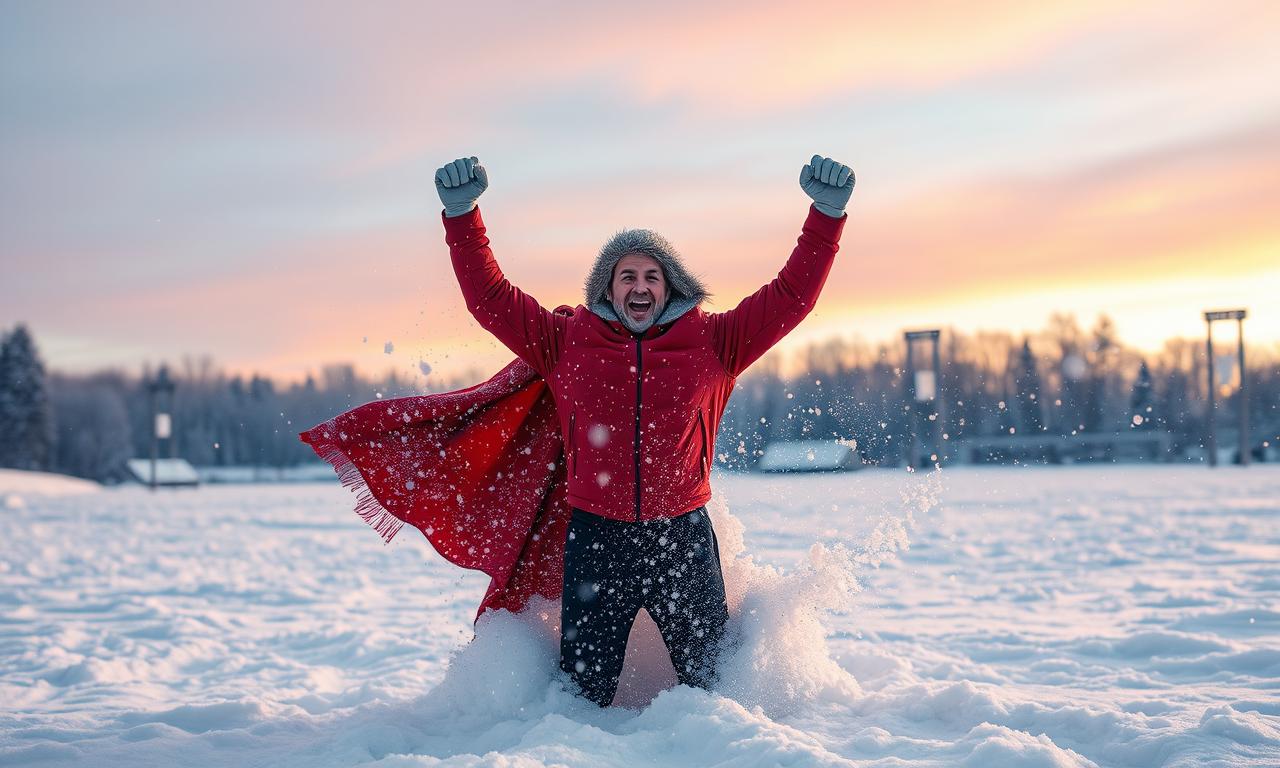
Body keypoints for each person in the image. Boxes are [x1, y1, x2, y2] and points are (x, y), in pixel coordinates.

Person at [435, 153, 854, 706]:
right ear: (607, 289)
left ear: (670, 286)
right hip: (596, 542)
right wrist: (463, 216)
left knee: (717, 696)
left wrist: (824, 217)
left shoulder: (715, 342)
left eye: (651, 276)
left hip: (681, 540)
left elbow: (790, 297)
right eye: (626, 275)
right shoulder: (565, 342)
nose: (639, 286)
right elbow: (490, 301)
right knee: (579, 703)